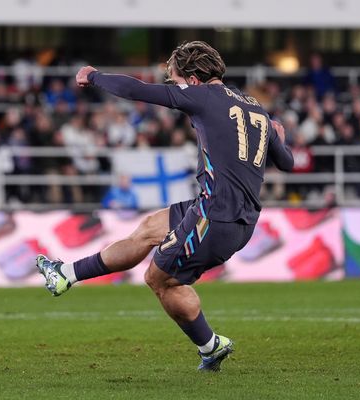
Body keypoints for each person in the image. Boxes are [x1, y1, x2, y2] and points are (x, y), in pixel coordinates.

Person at [36, 41, 294, 372]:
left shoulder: (202, 96)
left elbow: (136, 90)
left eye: (178, 81)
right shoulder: (256, 108)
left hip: (214, 217)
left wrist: (94, 76)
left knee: (159, 279)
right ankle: (65, 275)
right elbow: (286, 162)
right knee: (147, 230)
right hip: (235, 215)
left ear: (195, 77)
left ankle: (210, 345)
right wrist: (279, 137)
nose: (176, 88)